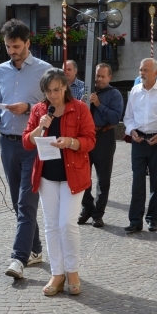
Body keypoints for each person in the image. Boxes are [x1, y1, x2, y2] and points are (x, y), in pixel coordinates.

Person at [0, 19, 52, 279]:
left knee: (26, 203)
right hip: (7, 142)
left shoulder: (45, 70)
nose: (11, 51)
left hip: (33, 144)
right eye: (8, 46)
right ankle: (34, 250)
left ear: (27, 44)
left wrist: (28, 107)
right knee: (17, 202)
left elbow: (52, 105)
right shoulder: (1, 70)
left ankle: (18, 259)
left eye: (16, 46)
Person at [23, 69, 96, 296]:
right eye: (48, 91)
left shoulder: (79, 109)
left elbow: (90, 139)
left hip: (73, 175)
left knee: (67, 224)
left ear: (65, 87)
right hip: (47, 176)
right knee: (51, 225)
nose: (53, 95)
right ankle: (57, 272)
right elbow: (27, 142)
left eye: (57, 90)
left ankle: (72, 270)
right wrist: (40, 126)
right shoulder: (39, 110)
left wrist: (71, 142)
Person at [123, 58, 157, 233]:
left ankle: (153, 218)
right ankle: (135, 220)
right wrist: (131, 131)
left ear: (156, 73)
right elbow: (128, 117)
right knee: (137, 181)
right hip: (139, 141)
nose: (142, 73)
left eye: (145, 70)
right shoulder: (135, 91)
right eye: (140, 70)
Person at [78, 63, 124, 228]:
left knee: (103, 179)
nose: (99, 79)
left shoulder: (114, 94)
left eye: (103, 76)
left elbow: (115, 118)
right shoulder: (87, 92)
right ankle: (87, 208)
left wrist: (98, 105)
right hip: (86, 137)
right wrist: (81, 106)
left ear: (109, 77)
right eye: (97, 76)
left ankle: (98, 214)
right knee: (82, 176)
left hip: (104, 136)